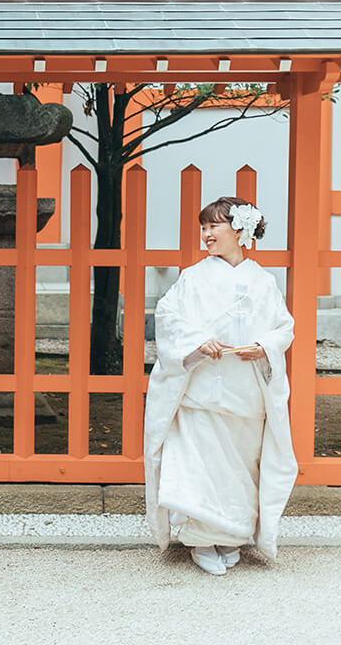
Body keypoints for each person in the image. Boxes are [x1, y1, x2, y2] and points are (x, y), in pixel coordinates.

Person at [143, 196, 296, 576]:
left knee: (239, 466)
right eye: (204, 226)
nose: (206, 233)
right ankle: (200, 538)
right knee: (201, 464)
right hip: (201, 391)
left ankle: (231, 535)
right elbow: (168, 316)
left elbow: (283, 328)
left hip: (244, 391)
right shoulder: (193, 277)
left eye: (215, 226)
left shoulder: (262, 281)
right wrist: (196, 341)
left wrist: (264, 346)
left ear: (239, 231)